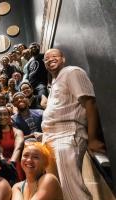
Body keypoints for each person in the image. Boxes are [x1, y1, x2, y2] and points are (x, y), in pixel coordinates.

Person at [42, 48, 105, 200]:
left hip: (67, 135)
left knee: (72, 190)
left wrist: (93, 139)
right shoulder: (54, 83)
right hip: (50, 138)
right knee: (58, 190)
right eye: (46, 58)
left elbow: (89, 102)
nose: (50, 59)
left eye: (54, 56)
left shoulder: (71, 72)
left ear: (63, 59)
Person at [0, 106, 24, 183]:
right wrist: (2, 160)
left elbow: (18, 147)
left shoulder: (17, 132)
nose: (2, 117)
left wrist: (12, 162)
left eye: (5, 114)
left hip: (14, 165)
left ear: (9, 116)